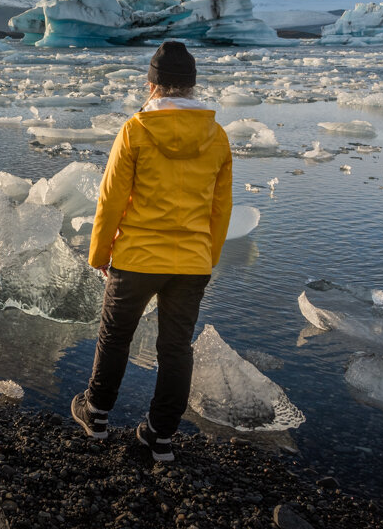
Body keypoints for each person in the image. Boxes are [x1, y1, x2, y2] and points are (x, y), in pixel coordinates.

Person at [71, 40, 232, 463]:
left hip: (137, 257)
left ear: (153, 84)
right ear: (192, 86)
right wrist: (207, 257)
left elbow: (111, 199)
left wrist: (100, 254)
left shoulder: (136, 129)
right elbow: (221, 206)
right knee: (176, 349)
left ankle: (97, 414)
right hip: (192, 262)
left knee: (115, 337)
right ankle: (160, 436)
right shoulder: (216, 136)